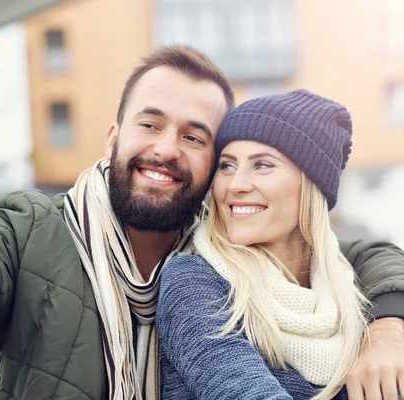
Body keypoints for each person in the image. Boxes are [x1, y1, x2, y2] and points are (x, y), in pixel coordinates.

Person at [0, 45, 404, 400]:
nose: (165, 149)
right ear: (113, 139)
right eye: (149, 125)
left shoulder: (236, 240)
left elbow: (359, 255)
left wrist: (388, 330)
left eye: (193, 136)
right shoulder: (32, 230)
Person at [157, 89, 404, 400]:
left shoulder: (351, 293)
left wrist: (387, 334)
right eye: (227, 165)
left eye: (262, 165)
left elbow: (382, 257)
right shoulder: (193, 282)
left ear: (311, 185)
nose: (236, 184)